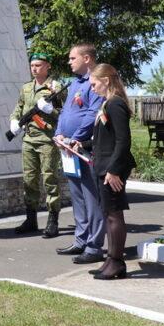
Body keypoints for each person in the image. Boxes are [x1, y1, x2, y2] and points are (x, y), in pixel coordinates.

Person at [73, 64, 135, 280]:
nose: (92, 88)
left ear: (106, 80)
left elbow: (123, 140)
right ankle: (111, 259)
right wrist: (80, 144)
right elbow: (103, 140)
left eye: (94, 83)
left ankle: (117, 262)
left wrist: (114, 170)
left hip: (111, 169)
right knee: (108, 215)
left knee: (114, 215)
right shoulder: (107, 103)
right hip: (103, 166)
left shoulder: (115, 103)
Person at [53, 43, 106, 264]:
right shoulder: (75, 83)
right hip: (68, 148)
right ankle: (81, 240)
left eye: (72, 58)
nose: (69, 61)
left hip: (84, 147)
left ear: (86, 58)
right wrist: (58, 134)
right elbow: (66, 112)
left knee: (91, 197)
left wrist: (75, 137)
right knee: (77, 196)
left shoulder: (96, 83)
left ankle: (94, 246)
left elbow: (92, 114)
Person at [9, 53, 66, 237]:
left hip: (47, 139)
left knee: (50, 179)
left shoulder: (55, 87)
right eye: (32, 65)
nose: (34, 68)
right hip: (29, 139)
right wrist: (14, 121)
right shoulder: (26, 88)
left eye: (38, 65)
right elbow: (18, 108)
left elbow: (65, 114)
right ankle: (31, 219)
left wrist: (52, 111)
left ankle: (52, 220)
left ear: (47, 66)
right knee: (29, 180)